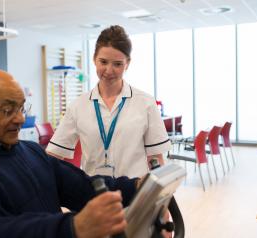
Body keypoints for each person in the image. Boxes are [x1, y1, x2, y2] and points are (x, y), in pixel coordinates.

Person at [0, 69, 139, 238]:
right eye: (8, 110)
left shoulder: (31, 151)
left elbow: (83, 187)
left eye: (22, 108)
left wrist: (137, 187)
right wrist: (72, 227)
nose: (20, 119)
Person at [46, 25, 172, 178]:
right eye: (103, 62)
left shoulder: (146, 103)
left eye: (117, 64)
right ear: (94, 59)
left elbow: (155, 159)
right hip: (95, 193)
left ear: (128, 63)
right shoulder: (78, 106)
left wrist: (158, 195)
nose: (109, 70)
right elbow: (53, 155)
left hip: (135, 193)